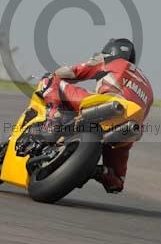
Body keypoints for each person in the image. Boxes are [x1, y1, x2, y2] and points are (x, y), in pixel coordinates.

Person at [38, 38, 154, 194]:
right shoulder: (148, 86)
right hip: (130, 127)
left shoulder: (109, 59)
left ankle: (52, 120)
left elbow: (73, 72)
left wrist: (55, 73)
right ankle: (101, 172)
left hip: (108, 105)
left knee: (51, 80)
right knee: (117, 181)